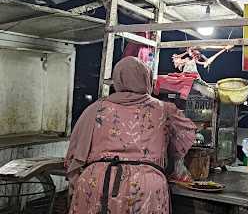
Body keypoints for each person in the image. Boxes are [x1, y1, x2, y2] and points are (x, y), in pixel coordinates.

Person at [65, 57, 196, 214]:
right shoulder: (164, 110)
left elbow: (74, 154)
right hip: (144, 187)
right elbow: (186, 135)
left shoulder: (95, 108)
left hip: (95, 184)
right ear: (146, 79)